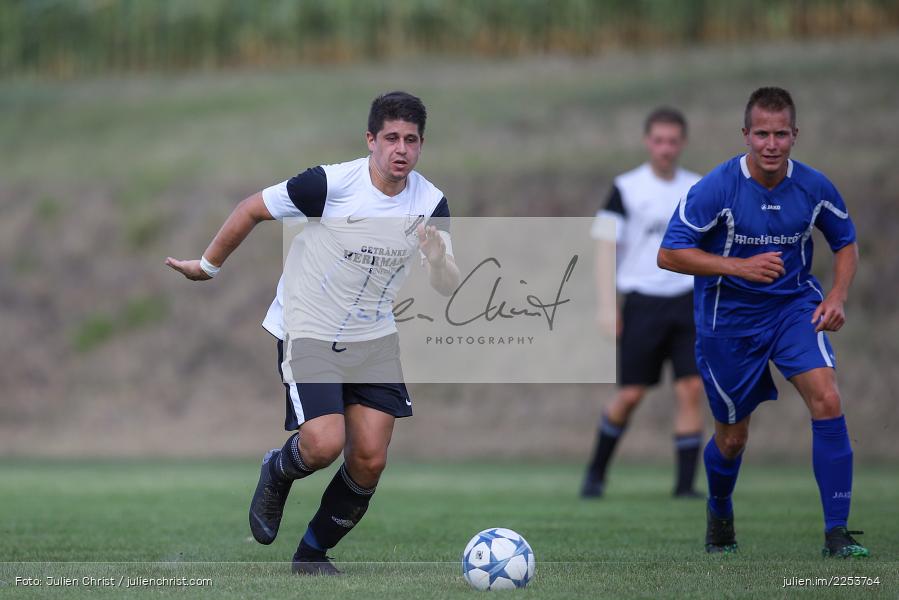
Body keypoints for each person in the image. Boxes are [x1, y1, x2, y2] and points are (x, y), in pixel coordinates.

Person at [166, 91, 461, 574]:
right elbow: (251, 208)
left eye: (411, 140)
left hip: (373, 336)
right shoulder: (329, 184)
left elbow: (447, 283)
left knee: (369, 460)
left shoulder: (431, 203)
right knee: (324, 444)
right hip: (309, 326)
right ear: (371, 140)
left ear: (422, 145)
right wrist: (207, 266)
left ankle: (310, 555)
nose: (400, 149)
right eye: (390, 138)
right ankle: (277, 470)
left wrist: (436, 258)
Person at [658, 87, 867, 558]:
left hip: (793, 307)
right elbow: (669, 254)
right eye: (761, 134)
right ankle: (719, 510)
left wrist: (836, 294)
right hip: (727, 321)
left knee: (828, 399)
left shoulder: (814, 186)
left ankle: (837, 534)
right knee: (732, 439)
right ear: (746, 136)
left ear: (795, 135)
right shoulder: (716, 187)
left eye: (780, 134)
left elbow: (845, 241)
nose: (770, 144)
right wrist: (739, 267)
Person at [582, 107, 704, 499]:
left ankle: (685, 488)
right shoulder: (626, 187)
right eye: (658, 140)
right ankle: (596, 474)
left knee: (690, 389)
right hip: (641, 303)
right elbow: (604, 245)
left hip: (688, 300)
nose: (665, 148)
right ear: (647, 142)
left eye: (672, 141)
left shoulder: (698, 187)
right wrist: (607, 305)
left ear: (682, 143)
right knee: (630, 394)